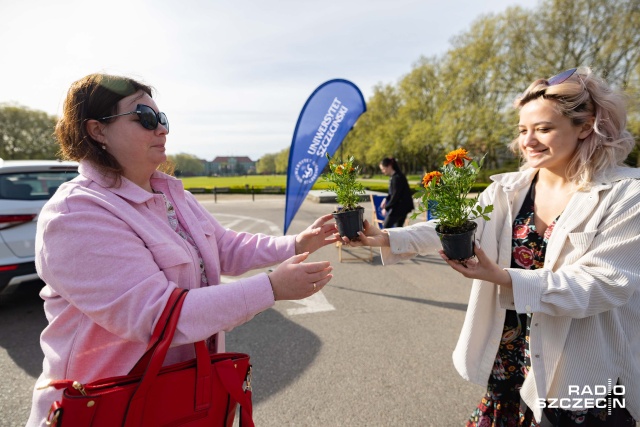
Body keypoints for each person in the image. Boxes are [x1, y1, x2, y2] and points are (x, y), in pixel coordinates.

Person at [28, 73, 338, 426]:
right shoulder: (77, 213)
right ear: (98, 131)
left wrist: (298, 243)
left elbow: (224, 247)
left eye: (163, 119)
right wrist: (272, 287)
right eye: (145, 118)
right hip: (108, 404)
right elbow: (158, 317)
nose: (162, 130)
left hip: (181, 395)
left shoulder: (173, 195)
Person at [345, 67, 639, 426]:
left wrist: (504, 278)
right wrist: (388, 237)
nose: (528, 140)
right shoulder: (509, 188)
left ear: (584, 125)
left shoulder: (627, 195)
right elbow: (454, 224)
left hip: (583, 371)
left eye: (544, 128)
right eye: (522, 130)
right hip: (511, 359)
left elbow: (603, 284)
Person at [378, 157, 414, 228]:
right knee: (398, 229)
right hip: (402, 208)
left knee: (385, 228)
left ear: (389, 166)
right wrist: (386, 199)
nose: (383, 171)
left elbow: (395, 196)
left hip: (400, 208)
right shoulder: (395, 177)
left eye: (383, 169)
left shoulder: (397, 178)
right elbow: (392, 192)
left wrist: (386, 208)